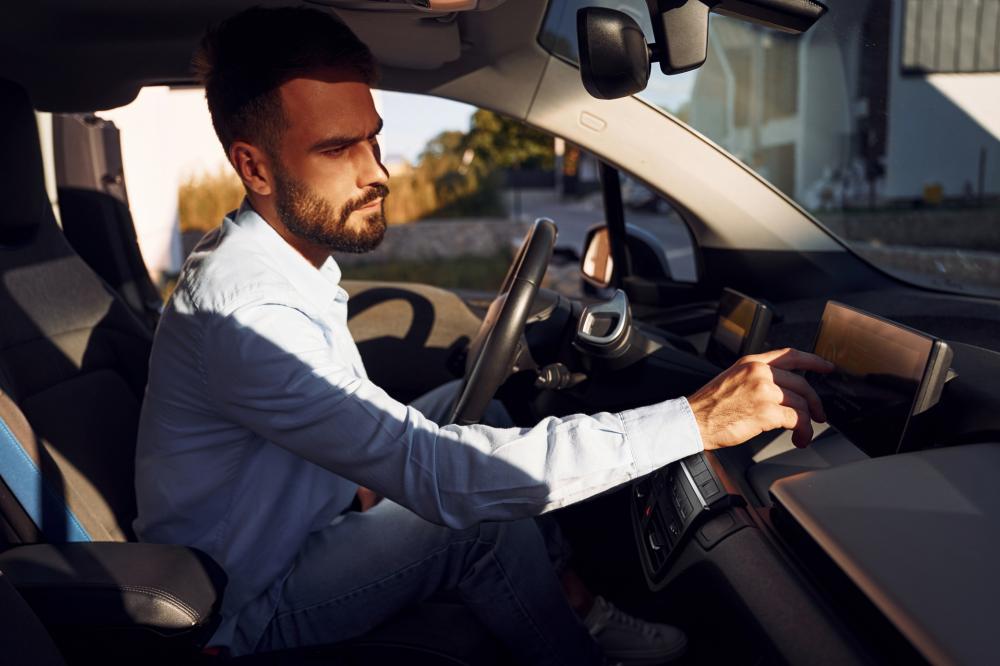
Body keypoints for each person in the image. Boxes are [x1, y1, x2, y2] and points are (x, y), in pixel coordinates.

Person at [133, 7, 832, 666]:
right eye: (338, 148)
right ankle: (579, 648)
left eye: (372, 138)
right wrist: (698, 419)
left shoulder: (279, 263)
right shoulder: (246, 309)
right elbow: (445, 481)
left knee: (476, 407)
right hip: (248, 608)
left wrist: (371, 481)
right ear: (253, 167)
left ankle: (572, 598)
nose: (377, 171)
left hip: (295, 531)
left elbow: (354, 438)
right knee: (478, 518)